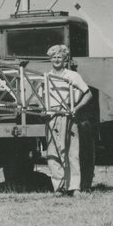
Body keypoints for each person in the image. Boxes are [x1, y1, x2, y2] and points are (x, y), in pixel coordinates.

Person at [42, 44, 94, 194]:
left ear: (65, 60)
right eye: (54, 57)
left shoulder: (72, 76)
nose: (57, 60)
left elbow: (88, 94)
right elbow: (42, 98)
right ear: (50, 59)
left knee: (72, 152)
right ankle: (59, 187)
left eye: (60, 57)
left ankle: (74, 187)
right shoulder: (47, 77)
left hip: (69, 117)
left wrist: (76, 109)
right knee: (53, 153)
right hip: (51, 117)